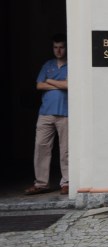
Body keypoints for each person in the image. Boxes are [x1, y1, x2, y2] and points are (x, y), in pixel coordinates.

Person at [26, 33, 69, 195]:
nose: (58, 51)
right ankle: (41, 183)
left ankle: (67, 182)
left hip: (65, 113)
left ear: (66, 48)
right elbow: (39, 86)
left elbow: (69, 85)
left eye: (61, 47)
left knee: (66, 150)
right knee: (41, 147)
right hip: (45, 113)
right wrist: (60, 84)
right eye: (55, 47)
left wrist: (50, 81)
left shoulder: (71, 64)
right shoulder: (48, 65)